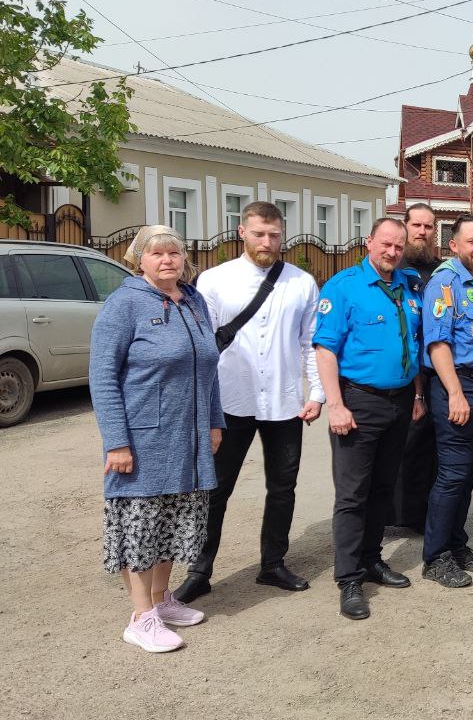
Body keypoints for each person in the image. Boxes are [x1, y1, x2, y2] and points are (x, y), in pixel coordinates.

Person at [172, 202, 321, 604]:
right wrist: (202, 404)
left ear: (282, 235)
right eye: (259, 233)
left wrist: (317, 392)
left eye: (274, 235)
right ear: (242, 232)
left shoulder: (302, 283)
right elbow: (203, 348)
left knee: (282, 489)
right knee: (215, 490)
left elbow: (311, 344)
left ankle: (273, 565)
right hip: (230, 402)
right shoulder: (215, 281)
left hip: (285, 403)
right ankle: (200, 571)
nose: (267, 242)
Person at [89, 225, 224, 652]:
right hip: (143, 438)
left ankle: (162, 601)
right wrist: (116, 442)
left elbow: (209, 367)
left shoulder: (195, 300)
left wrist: (215, 421)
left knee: (173, 522)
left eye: (174, 253)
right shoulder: (124, 305)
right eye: (157, 254)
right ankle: (141, 617)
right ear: (139, 260)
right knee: (142, 527)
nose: (167, 260)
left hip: (190, 439)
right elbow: (103, 378)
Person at [314, 217, 425, 620]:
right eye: (386, 245)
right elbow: (325, 349)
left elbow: (411, 345)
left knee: (383, 488)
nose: (392, 252)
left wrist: (415, 394)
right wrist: (336, 404)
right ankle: (349, 578)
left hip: (398, 402)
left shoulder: (407, 287)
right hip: (358, 402)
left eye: (399, 246)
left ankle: (373, 560)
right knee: (352, 495)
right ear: (369, 242)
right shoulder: (343, 287)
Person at [420, 213, 473, 588]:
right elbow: (438, 344)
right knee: (452, 475)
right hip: (459, 387)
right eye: (472, 241)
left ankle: (457, 545)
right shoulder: (445, 284)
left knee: (468, 475)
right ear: (454, 246)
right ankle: (435, 557)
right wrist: (455, 393)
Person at [389, 202, 442, 533]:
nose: (422, 232)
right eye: (417, 225)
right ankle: (391, 514)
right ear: (406, 227)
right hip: (400, 372)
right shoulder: (394, 267)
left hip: (435, 371)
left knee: (428, 448)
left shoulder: (440, 271)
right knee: (400, 446)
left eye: (428, 226)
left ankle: (421, 513)